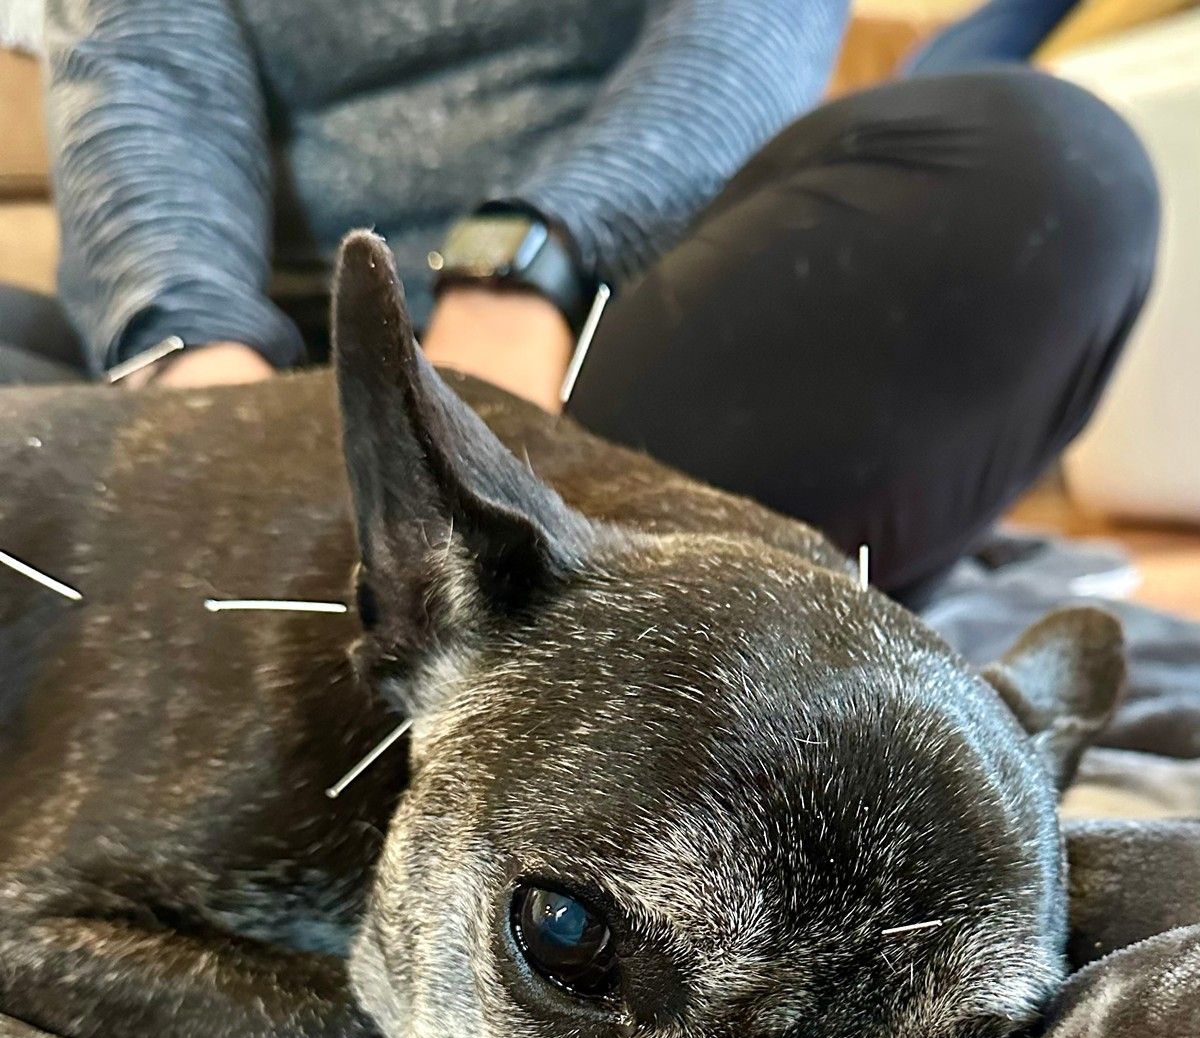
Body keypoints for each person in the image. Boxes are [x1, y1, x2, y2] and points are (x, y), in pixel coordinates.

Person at [0, 0, 1158, 597]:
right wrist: (202, 367)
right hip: (258, 370)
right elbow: (141, 75)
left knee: (1053, 171)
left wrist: (527, 267)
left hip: (610, 349)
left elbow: (742, 37)